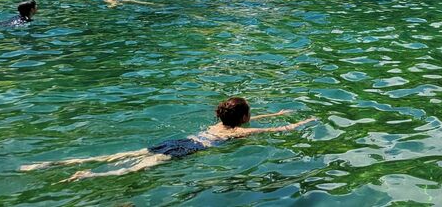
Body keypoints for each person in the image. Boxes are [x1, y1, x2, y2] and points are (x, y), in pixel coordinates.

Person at [19, 97, 315, 181]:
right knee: (137, 167)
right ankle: (89, 175)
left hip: (184, 139)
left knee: (125, 153)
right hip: (190, 151)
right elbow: (279, 132)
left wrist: (274, 112)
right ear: (243, 119)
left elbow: (257, 121)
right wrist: (304, 121)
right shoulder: (240, 133)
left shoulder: (220, 124)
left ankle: (50, 164)